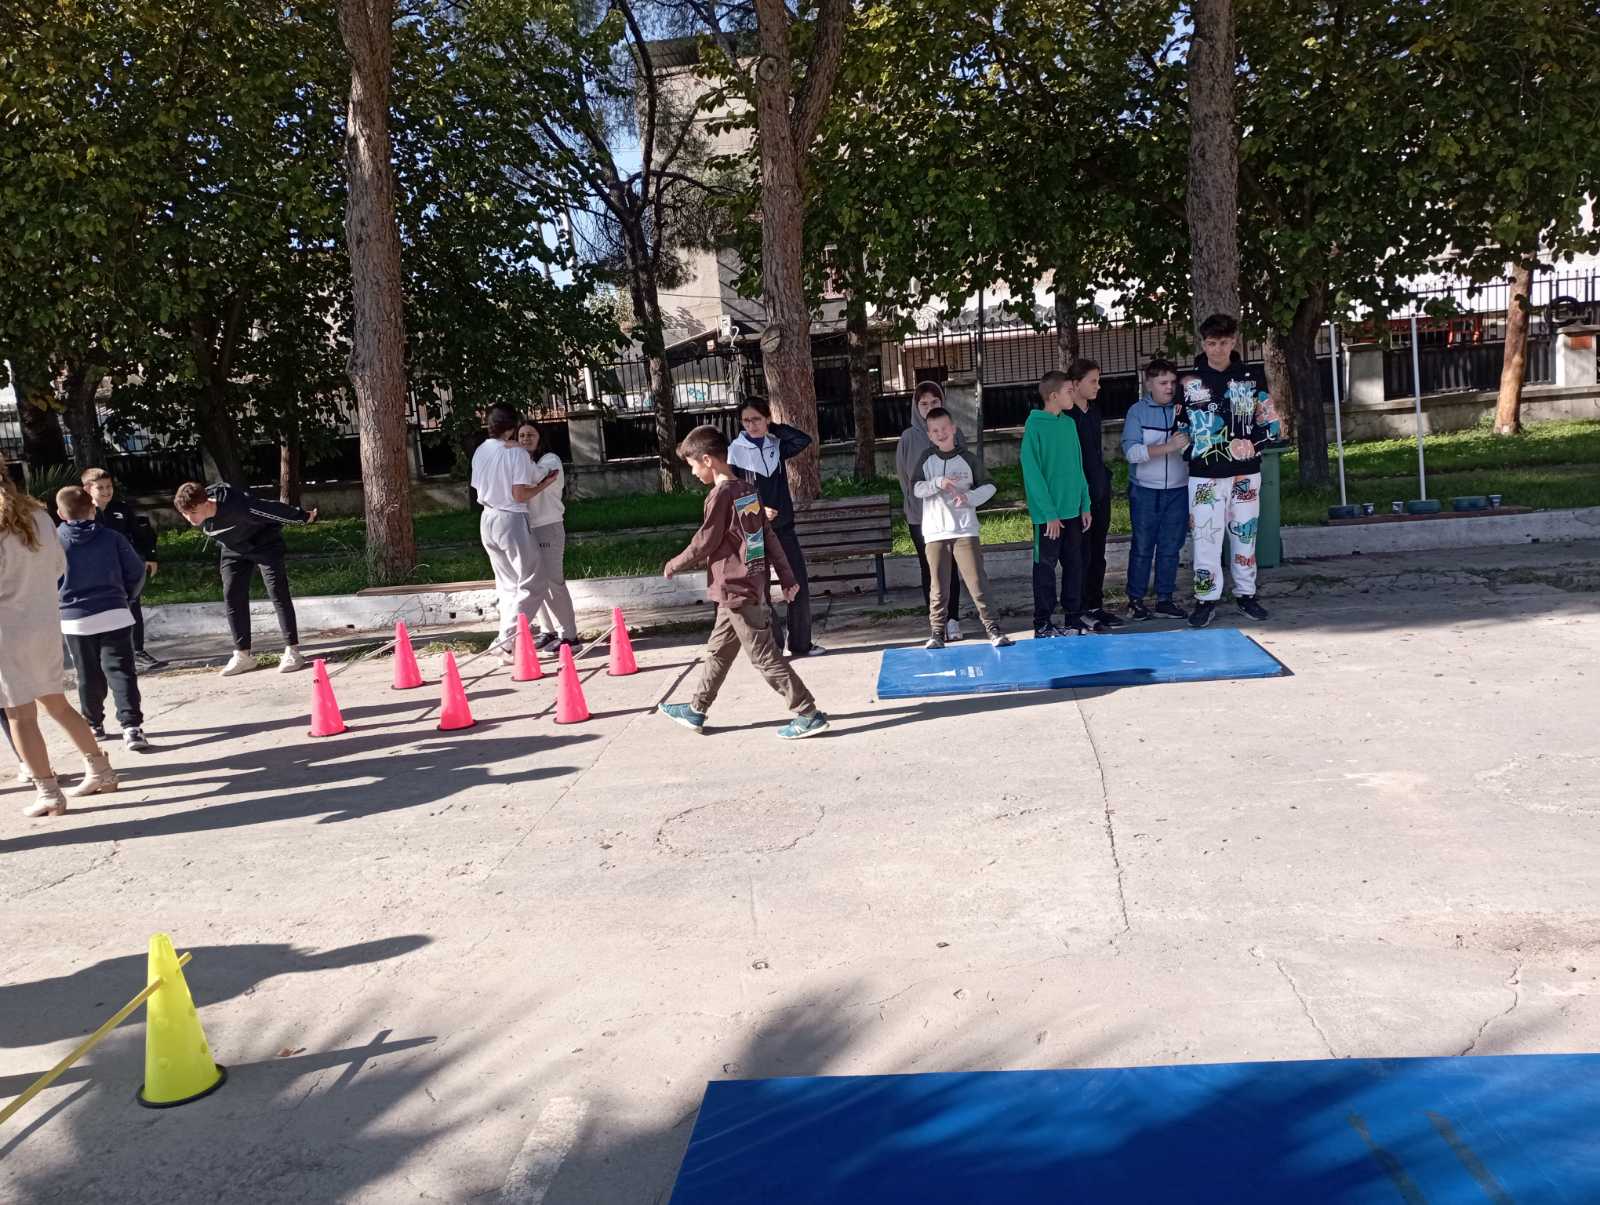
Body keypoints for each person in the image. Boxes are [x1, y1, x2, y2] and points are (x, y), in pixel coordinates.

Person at [657, 425, 828, 739]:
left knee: (764, 655)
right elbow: (768, 536)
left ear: (707, 460)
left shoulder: (721, 495)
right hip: (743, 586)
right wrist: (787, 577)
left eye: (693, 465)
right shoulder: (747, 490)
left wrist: (674, 563)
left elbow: (706, 540)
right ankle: (696, 709)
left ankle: (807, 713)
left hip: (736, 587)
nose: (693, 473)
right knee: (719, 651)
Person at [1, 470, 117, 816]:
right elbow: (58, 566)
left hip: (7, 630)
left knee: (20, 714)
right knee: (57, 703)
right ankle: (101, 770)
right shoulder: (38, 515)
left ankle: (49, 792)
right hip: (44, 621)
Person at [1178, 313, 1273, 628]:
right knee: (1206, 537)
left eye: (1223, 342)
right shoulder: (1189, 382)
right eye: (1211, 343)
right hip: (1204, 475)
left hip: (1245, 472)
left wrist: (1254, 444)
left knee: (1245, 535)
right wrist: (1190, 451)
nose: (1217, 349)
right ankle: (1206, 599)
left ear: (1234, 341)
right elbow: (1180, 426)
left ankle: (1246, 594)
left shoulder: (1251, 376)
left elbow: (1268, 419)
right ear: (1203, 343)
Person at [173, 480, 318, 676]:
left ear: (206, 502)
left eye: (193, 512)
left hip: (264, 544)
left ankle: (292, 651)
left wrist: (303, 517)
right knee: (232, 596)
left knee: (277, 592)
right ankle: (243, 655)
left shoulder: (237, 505)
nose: (190, 519)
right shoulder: (198, 510)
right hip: (233, 549)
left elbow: (270, 509)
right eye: (185, 514)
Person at [909, 408, 1014, 650]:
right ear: (929, 435)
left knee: (977, 583)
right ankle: (937, 632)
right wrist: (938, 483)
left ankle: (993, 628)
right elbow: (916, 489)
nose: (941, 433)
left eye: (944, 428)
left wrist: (969, 498)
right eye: (935, 430)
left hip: (965, 531)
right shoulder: (926, 459)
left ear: (954, 429)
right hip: (935, 533)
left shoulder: (968, 459)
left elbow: (990, 486)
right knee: (938, 586)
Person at [55, 486, 150, 751]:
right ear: (93, 509)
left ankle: (94, 724)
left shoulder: (54, 541)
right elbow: (136, 572)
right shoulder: (112, 537)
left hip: (74, 619)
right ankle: (132, 727)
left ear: (60, 514)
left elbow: (47, 579)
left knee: (87, 674)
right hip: (114, 613)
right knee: (122, 672)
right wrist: (126, 598)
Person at [729, 398, 823, 657]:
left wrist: (773, 429)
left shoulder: (776, 444)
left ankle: (801, 643)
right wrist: (758, 510)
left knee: (797, 582)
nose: (752, 425)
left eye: (757, 419)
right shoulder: (735, 450)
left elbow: (803, 440)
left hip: (783, 528)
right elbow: (733, 492)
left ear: (767, 418)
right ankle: (773, 646)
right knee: (761, 591)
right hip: (754, 531)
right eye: (746, 421)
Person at [1023, 371, 1095, 638]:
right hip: (1048, 518)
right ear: (1053, 396)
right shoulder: (1035, 426)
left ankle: (1073, 618)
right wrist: (1049, 514)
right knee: (1045, 568)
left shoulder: (1069, 424)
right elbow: (1033, 474)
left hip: (1073, 511)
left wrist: (1085, 503)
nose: (1072, 395)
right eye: (1068, 391)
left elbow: (1078, 466)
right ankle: (1042, 622)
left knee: (1075, 565)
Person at [1121, 359, 1192, 621]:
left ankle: (1165, 599)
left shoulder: (1185, 410)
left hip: (1179, 490)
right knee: (1142, 547)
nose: (1169, 387)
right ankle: (1135, 600)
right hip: (1145, 491)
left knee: (1171, 547)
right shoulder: (1137, 412)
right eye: (1163, 383)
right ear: (1149, 383)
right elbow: (1131, 452)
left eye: (1173, 382)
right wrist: (1167, 447)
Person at [896, 381, 967, 641]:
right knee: (930, 569)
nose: (929, 407)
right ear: (916, 407)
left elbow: (965, 470)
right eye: (923, 403)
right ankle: (937, 622)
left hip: (951, 514)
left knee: (951, 567)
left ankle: (953, 620)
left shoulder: (954, 433)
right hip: (921, 516)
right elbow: (904, 478)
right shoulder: (908, 438)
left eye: (934, 402)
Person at [471, 404, 542, 659]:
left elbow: (478, 485)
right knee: (533, 582)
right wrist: (544, 484)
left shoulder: (481, 450)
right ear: (512, 428)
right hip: (511, 518)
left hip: (487, 518)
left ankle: (506, 641)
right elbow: (520, 494)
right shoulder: (517, 454)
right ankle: (507, 639)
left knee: (507, 585)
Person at [82, 467, 166, 670]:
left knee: (133, 607)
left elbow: (139, 534)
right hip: (96, 571)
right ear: (87, 489)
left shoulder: (122, 509)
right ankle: (104, 655)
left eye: (109, 486)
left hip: (124, 568)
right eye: (100, 487)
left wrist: (150, 557)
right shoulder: (82, 511)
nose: (106, 491)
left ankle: (137, 651)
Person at [1063, 358, 1123, 631]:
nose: (1098, 386)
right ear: (1076, 384)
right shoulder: (1066, 418)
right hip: (1079, 495)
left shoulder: (1094, 411)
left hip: (1099, 491)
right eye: (1093, 381)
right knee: (1081, 554)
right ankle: (1078, 609)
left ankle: (1095, 606)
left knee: (1098, 552)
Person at [515, 421, 578, 649]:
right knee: (534, 581)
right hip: (527, 527)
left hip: (548, 527)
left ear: (540, 438)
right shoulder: (523, 462)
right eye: (521, 435)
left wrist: (516, 456)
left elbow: (534, 478)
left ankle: (569, 635)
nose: (525, 439)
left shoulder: (550, 460)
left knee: (553, 582)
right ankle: (548, 630)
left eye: (530, 435)